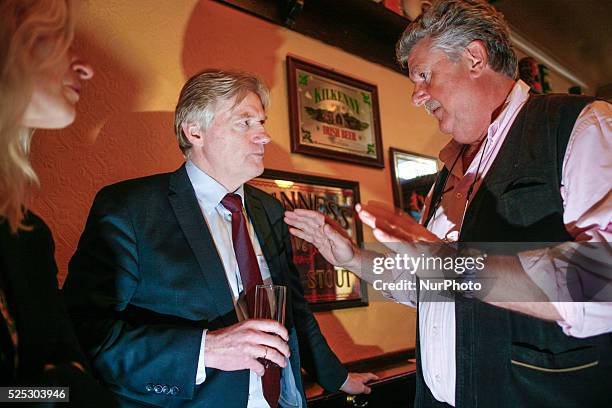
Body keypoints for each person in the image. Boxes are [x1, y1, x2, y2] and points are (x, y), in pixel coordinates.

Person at [284, 0, 612, 407]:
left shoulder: (582, 125)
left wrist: (449, 263)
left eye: (424, 75)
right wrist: (354, 258)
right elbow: (433, 285)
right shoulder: (451, 168)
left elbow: (604, 281)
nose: (416, 97)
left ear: (474, 58)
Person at [62, 70, 376, 407]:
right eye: (245, 122)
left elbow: (294, 312)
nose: (264, 136)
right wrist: (204, 349)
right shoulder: (131, 208)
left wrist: (338, 377)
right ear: (194, 131)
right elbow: (83, 331)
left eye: (261, 122)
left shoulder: (269, 209)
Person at [0, 0, 117, 405]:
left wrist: (47, 390)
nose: (86, 67)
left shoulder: (27, 234)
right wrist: (51, 391)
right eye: (62, 41)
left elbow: (63, 376)